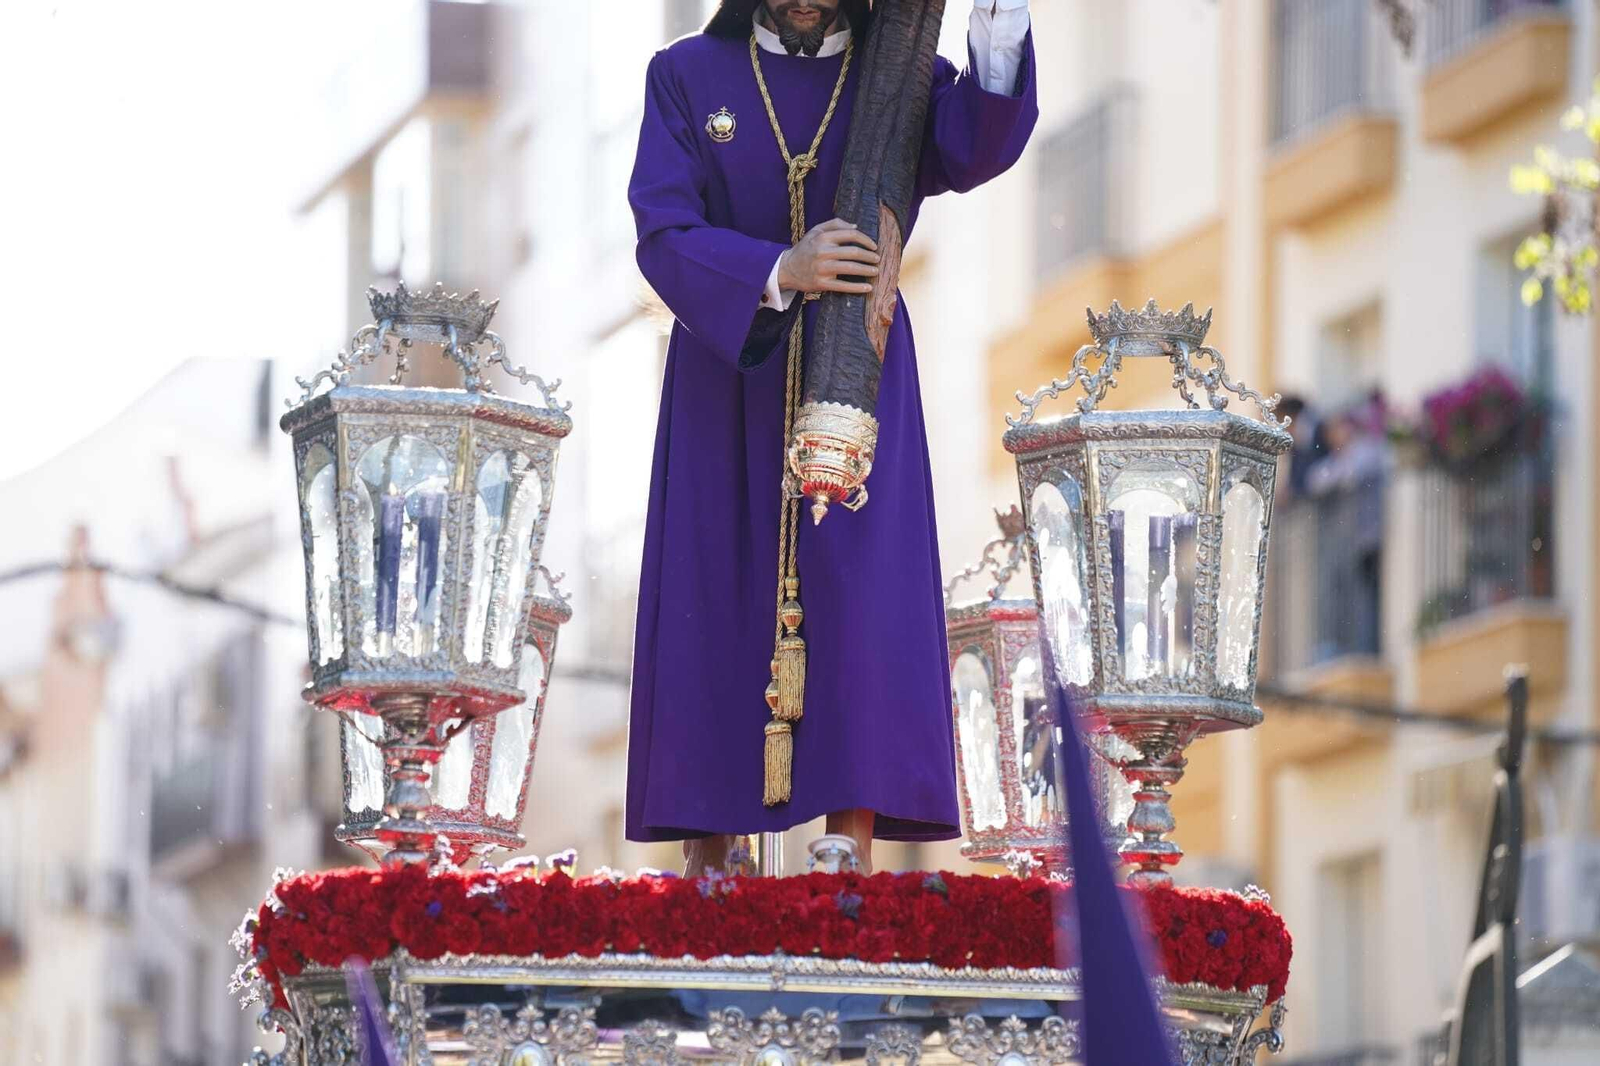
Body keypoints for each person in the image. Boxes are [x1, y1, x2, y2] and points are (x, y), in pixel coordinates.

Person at [625, 0, 1038, 874]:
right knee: (717, 595)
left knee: (859, 600)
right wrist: (780, 269)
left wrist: (1000, 22)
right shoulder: (687, 76)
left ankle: (844, 851)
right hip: (724, 373)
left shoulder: (900, 69)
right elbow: (663, 234)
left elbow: (977, 143)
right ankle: (713, 857)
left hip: (862, 374)